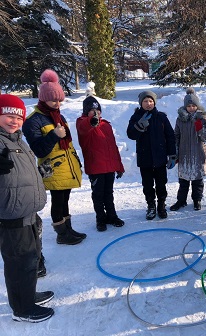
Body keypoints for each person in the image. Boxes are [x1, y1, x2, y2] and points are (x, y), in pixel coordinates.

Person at [0, 94, 54, 322]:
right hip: (11, 215)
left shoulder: (18, 140)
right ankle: (22, 309)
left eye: (18, 117)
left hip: (28, 212)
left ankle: (28, 295)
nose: (14, 121)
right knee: (19, 261)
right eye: (9, 115)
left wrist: (39, 175)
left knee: (31, 258)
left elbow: (18, 173)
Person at [23, 69, 86, 246]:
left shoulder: (59, 116)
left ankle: (68, 229)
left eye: (60, 99)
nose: (57, 103)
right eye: (53, 99)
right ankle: (61, 234)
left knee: (65, 199)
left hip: (67, 166)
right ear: (43, 98)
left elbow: (68, 145)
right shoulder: (33, 121)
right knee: (58, 201)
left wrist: (76, 163)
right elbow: (39, 150)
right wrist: (54, 135)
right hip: (52, 168)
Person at [76, 95, 125, 232]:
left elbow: (113, 147)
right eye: (92, 110)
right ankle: (100, 218)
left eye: (98, 110)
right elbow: (84, 129)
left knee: (108, 193)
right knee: (98, 195)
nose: (96, 113)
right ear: (87, 112)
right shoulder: (82, 123)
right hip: (95, 167)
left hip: (109, 167)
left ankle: (112, 216)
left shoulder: (106, 125)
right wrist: (91, 121)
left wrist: (119, 166)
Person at [127, 90, 176, 220]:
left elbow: (170, 136)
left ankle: (161, 205)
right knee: (148, 185)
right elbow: (131, 135)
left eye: (150, 101)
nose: (148, 104)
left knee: (161, 184)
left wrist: (172, 155)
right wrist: (139, 125)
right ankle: (151, 206)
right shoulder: (136, 117)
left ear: (154, 102)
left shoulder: (161, 117)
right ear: (140, 103)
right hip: (145, 159)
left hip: (160, 158)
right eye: (145, 101)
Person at [170, 88, 206, 211]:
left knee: (197, 181)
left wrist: (200, 128)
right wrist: (175, 152)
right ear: (185, 107)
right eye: (189, 106)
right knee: (183, 181)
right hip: (184, 154)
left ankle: (197, 200)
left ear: (197, 106)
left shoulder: (202, 119)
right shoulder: (180, 120)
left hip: (198, 154)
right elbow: (176, 135)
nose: (191, 108)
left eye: (194, 105)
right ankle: (181, 200)